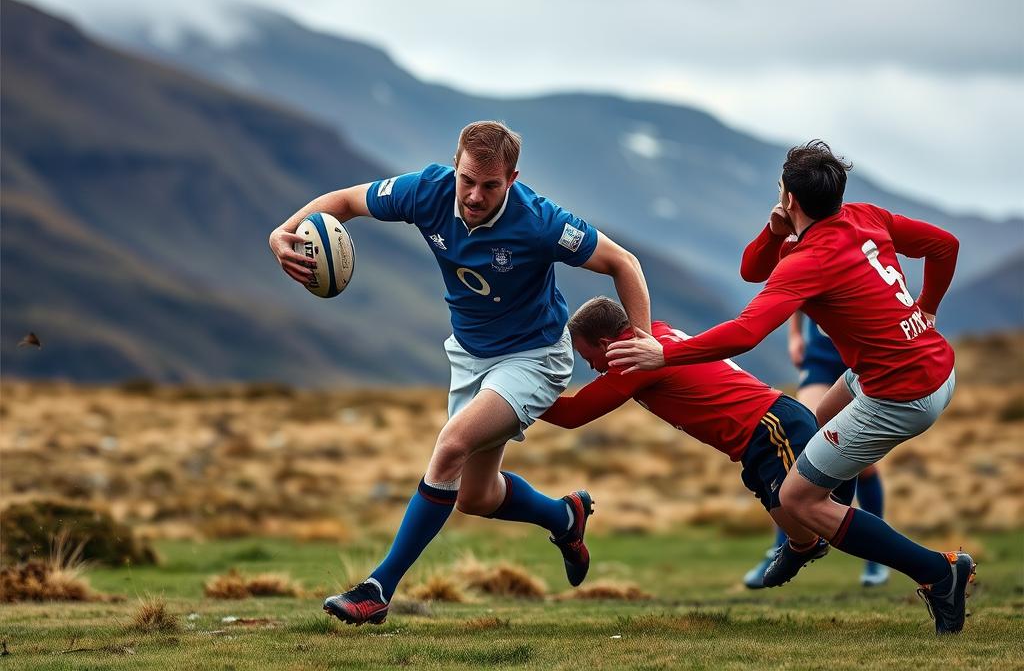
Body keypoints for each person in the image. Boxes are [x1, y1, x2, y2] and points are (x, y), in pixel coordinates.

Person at [268, 121, 651, 625]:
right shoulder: (425, 191)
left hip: (534, 356)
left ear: (512, 178)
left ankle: (377, 589)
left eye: (490, 185)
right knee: (475, 496)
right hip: (470, 354)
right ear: (455, 166)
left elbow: (624, 263)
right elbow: (342, 202)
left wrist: (644, 344)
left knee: (448, 447)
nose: (474, 195)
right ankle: (565, 517)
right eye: (467, 179)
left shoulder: (540, 221)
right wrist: (284, 231)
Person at [606, 140, 973, 635]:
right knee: (815, 423)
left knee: (800, 499)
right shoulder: (865, 216)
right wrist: (927, 307)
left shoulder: (810, 261)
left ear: (790, 197)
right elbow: (943, 245)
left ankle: (937, 574)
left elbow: (746, 332)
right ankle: (819, 529)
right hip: (932, 365)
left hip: (900, 394)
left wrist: (664, 353)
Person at [539, 296, 856, 561]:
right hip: (761, 431)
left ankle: (886, 549)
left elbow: (572, 414)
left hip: (771, 425)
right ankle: (806, 544)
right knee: (800, 518)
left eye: (587, 356)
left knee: (809, 513)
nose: (591, 366)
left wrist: (512, 395)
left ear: (606, 343)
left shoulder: (633, 361)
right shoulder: (657, 334)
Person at [743, 312, 890, 589]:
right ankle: (784, 549)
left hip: (863, 352)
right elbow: (796, 280)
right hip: (822, 354)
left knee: (858, 459)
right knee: (802, 449)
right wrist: (795, 334)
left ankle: (876, 558)